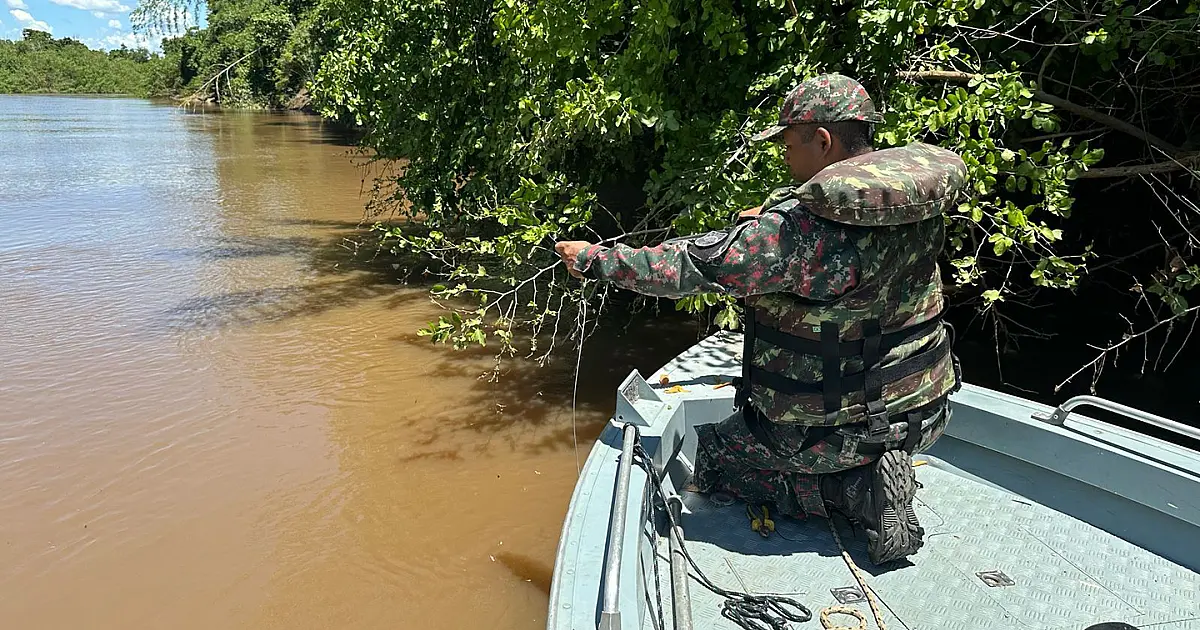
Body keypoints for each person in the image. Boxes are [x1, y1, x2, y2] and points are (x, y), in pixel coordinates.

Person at [554, 73, 968, 565]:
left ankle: (852, 493)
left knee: (714, 458)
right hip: (925, 414)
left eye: (790, 145)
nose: (785, 157)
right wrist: (775, 214)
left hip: (834, 433)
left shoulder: (795, 234)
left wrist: (592, 259)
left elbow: (681, 266)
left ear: (822, 140)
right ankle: (862, 472)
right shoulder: (913, 208)